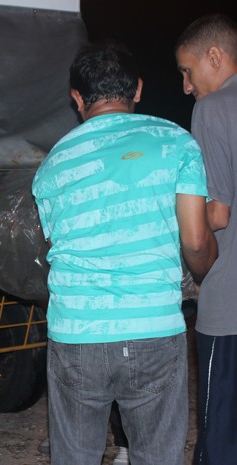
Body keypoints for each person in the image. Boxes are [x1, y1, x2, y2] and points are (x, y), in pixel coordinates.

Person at [32, 42, 217, 465]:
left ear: (77, 99)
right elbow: (195, 240)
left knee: (75, 456)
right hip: (153, 326)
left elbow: (53, 246)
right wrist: (207, 274)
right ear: (137, 89)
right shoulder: (176, 143)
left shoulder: (53, 163)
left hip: (76, 332)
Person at [175, 14, 237, 465]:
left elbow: (215, 214)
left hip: (229, 305)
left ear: (214, 57)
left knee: (219, 438)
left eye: (188, 71)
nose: (186, 87)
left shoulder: (213, 107)